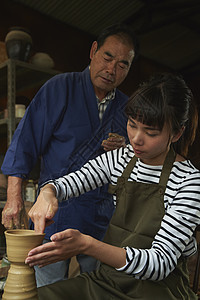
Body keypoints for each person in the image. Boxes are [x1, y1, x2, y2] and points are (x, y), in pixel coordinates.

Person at [25, 73, 200, 300]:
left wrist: (87, 245)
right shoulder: (121, 158)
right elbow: (71, 182)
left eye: (150, 132)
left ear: (177, 133)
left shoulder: (190, 181)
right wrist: (48, 192)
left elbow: (159, 265)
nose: (136, 139)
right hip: (108, 281)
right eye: (132, 124)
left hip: (159, 291)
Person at [1, 23, 139, 286]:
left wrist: (126, 149)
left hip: (101, 217)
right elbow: (25, 142)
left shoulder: (127, 108)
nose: (111, 70)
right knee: (47, 289)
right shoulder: (59, 88)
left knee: (96, 288)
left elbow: (140, 160)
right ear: (93, 51)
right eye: (108, 57)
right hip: (54, 213)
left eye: (123, 65)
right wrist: (13, 198)